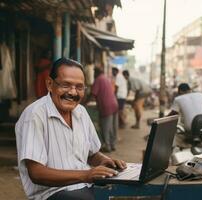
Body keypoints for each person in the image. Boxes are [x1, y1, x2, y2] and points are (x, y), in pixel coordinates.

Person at [15, 58, 126, 200]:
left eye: (79, 87)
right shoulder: (34, 115)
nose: (73, 93)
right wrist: (86, 175)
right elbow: (36, 173)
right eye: (66, 85)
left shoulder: (81, 112)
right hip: (52, 193)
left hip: (85, 185)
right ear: (49, 84)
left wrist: (105, 161)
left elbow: (92, 154)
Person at [91, 67, 119, 152]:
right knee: (113, 127)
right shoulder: (106, 78)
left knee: (106, 127)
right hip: (114, 104)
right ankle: (113, 144)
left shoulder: (98, 79)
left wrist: (85, 101)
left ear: (96, 72)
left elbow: (93, 93)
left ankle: (107, 146)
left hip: (106, 106)